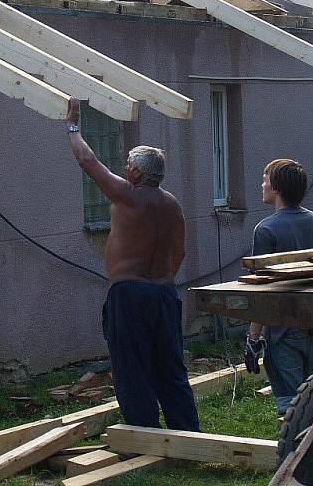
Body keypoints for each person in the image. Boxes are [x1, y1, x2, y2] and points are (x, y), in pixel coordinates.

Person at [66, 97, 199, 431]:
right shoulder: (173, 206)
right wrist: (161, 279)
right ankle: (189, 434)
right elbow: (179, 252)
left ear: (137, 172)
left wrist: (73, 125)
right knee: (170, 368)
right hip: (165, 295)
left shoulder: (128, 194)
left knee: (132, 367)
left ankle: (143, 435)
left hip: (130, 294)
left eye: (128, 163)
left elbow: (87, 159)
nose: (124, 167)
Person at [244, 159, 313, 416]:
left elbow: (263, 290)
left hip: (283, 330)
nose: (261, 184)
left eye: (265, 178)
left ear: (278, 188)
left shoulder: (266, 229)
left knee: (291, 408)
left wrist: (252, 338)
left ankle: (293, 454)